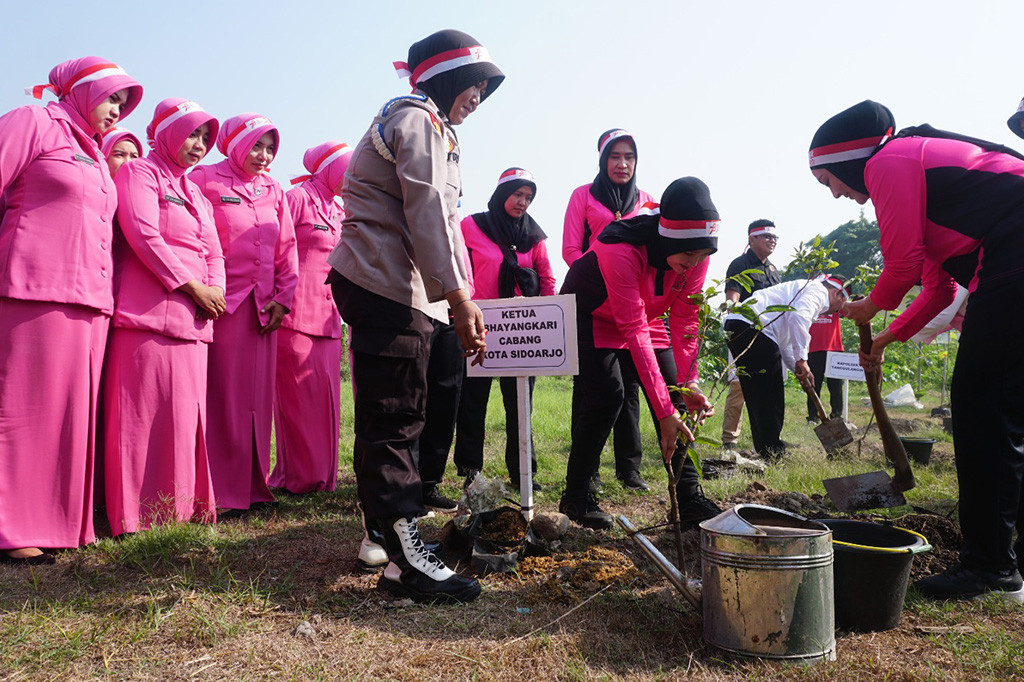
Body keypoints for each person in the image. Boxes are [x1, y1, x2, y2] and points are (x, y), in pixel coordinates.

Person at [810, 99, 1024, 601]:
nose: (838, 195)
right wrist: (884, 338)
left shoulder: (890, 160)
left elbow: (901, 267)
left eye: (830, 182)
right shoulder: (928, 189)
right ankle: (1003, 556)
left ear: (846, 160)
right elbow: (939, 291)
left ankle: (991, 567)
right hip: (1010, 258)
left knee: (982, 408)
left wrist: (869, 307)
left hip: (1014, 255)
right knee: (1006, 411)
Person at [326, 29, 503, 603]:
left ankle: (393, 538)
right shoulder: (414, 119)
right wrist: (457, 297)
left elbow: (445, 225)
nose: (478, 98)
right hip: (381, 281)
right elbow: (427, 209)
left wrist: (459, 298)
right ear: (447, 78)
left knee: (400, 412)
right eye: (474, 86)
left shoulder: (438, 131)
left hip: (402, 289)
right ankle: (404, 560)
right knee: (395, 416)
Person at [0, 57, 142, 564]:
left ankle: (58, 522)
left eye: (122, 104)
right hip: (34, 288)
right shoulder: (34, 121)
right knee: (22, 414)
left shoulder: (93, 152)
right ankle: (12, 529)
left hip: (90, 300)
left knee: (66, 419)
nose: (115, 110)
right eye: (110, 98)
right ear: (82, 92)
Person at [559, 177, 721, 530]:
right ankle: (577, 496)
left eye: (701, 255)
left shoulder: (696, 255)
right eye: (689, 254)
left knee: (677, 395)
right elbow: (631, 329)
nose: (694, 263)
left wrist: (690, 382)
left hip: (645, 315)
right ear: (668, 241)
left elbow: (685, 320)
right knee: (607, 399)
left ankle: (689, 498)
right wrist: (661, 412)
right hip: (591, 312)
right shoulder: (621, 247)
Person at [104, 98, 224, 535]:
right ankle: (137, 515)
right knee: (143, 418)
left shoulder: (195, 191)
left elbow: (214, 250)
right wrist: (192, 286)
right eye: (192, 134)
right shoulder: (140, 172)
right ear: (168, 133)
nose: (199, 145)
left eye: (206, 138)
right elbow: (142, 233)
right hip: (148, 313)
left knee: (183, 416)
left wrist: (216, 291)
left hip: (195, 320)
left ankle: (185, 509)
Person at [191, 114, 298, 514]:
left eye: (270, 148)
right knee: (223, 398)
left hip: (264, 310)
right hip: (222, 306)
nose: (264, 155)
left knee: (257, 401)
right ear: (234, 143)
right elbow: (194, 235)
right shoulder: (206, 179)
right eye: (256, 145)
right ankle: (220, 490)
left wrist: (283, 299)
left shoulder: (274, 189)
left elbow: (287, 250)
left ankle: (254, 486)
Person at [562, 129, 656, 491]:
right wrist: (604, 275)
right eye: (615, 157)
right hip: (590, 301)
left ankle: (629, 469)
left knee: (630, 385)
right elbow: (571, 250)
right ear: (603, 161)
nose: (622, 164)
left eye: (629, 157)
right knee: (590, 389)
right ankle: (590, 471)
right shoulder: (582, 196)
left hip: (630, 306)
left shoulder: (648, 200)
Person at [454, 167, 556, 489]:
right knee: (472, 403)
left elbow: (548, 280)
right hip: (477, 326)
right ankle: (471, 470)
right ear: (502, 195)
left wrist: (547, 318)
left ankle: (522, 471)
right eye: (517, 195)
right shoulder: (471, 226)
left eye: (528, 197)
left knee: (519, 405)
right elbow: (457, 269)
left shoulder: (534, 237)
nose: (522, 202)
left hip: (521, 332)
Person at [269, 141, 353, 494]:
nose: (353, 177)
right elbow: (275, 248)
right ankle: (297, 478)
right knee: (297, 402)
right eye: (348, 169)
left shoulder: (340, 209)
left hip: (329, 320)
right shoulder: (297, 198)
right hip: (295, 315)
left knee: (325, 402)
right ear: (330, 168)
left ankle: (322, 477)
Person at [723, 276, 849, 460]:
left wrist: (798, 367)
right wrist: (802, 359)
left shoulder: (800, 291)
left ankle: (766, 447)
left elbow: (784, 345)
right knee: (770, 393)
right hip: (754, 327)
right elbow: (799, 317)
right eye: (841, 303)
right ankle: (772, 450)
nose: (836, 310)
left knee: (758, 393)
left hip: (738, 325)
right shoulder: (818, 291)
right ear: (837, 294)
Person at [721, 219, 782, 451]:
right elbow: (732, 297)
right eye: (767, 236)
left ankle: (769, 439)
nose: (772, 240)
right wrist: (729, 312)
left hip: (769, 335)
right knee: (739, 386)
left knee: (769, 387)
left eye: (775, 237)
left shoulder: (774, 270)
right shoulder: (740, 264)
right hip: (744, 333)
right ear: (752, 238)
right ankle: (729, 440)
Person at [805, 311, 845, 423]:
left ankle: (836, 415)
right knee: (813, 384)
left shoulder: (836, 301)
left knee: (836, 385)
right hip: (813, 349)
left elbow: (847, 311)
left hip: (834, 348)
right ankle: (813, 416)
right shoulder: (812, 301)